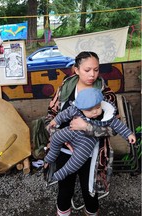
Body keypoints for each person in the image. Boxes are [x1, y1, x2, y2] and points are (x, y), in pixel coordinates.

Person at [42, 51, 118, 216]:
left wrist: (86, 127)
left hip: (93, 153)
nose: (92, 74)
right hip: (64, 149)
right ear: (76, 70)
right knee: (64, 191)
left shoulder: (106, 93)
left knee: (90, 193)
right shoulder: (65, 88)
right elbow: (50, 116)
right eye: (87, 70)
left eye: (96, 70)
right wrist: (57, 135)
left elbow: (113, 128)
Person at [44, 87, 136, 181]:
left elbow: (119, 126)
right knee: (56, 137)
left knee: (77, 160)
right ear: (81, 108)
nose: (95, 112)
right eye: (89, 110)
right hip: (72, 131)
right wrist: (55, 120)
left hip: (87, 141)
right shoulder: (76, 109)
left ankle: (62, 173)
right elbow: (65, 114)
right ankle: (52, 154)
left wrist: (129, 134)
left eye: (98, 107)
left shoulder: (107, 116)